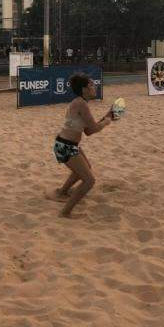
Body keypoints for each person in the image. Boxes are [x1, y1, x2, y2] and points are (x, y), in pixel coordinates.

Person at [47, 73, 113, 218]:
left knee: (86, 169)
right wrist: (106, 122)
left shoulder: (79, 102)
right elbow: (95, 128)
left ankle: (62, 192)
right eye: (91, 85)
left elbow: (89, 131)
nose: (94, 87)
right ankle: (65, 212)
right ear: (84, 89)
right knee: (89, 181)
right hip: (66, 146)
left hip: (67, 144)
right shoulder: (81, 104)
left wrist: (107, 117)